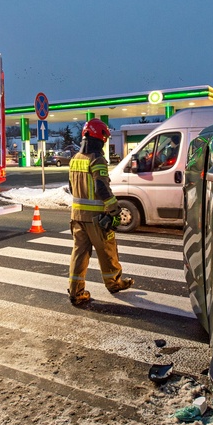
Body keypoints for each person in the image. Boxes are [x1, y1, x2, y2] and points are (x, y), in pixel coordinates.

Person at [67, 118, 134, 305]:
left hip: (77, 217)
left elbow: (72, 188)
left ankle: (76, 292)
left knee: (79, 255)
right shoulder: (97, 159)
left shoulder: (75, 159)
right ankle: (114, 283)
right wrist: (114, 210)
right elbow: (101, 188)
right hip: (97, 218)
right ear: (100, 138)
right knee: (108, 251)